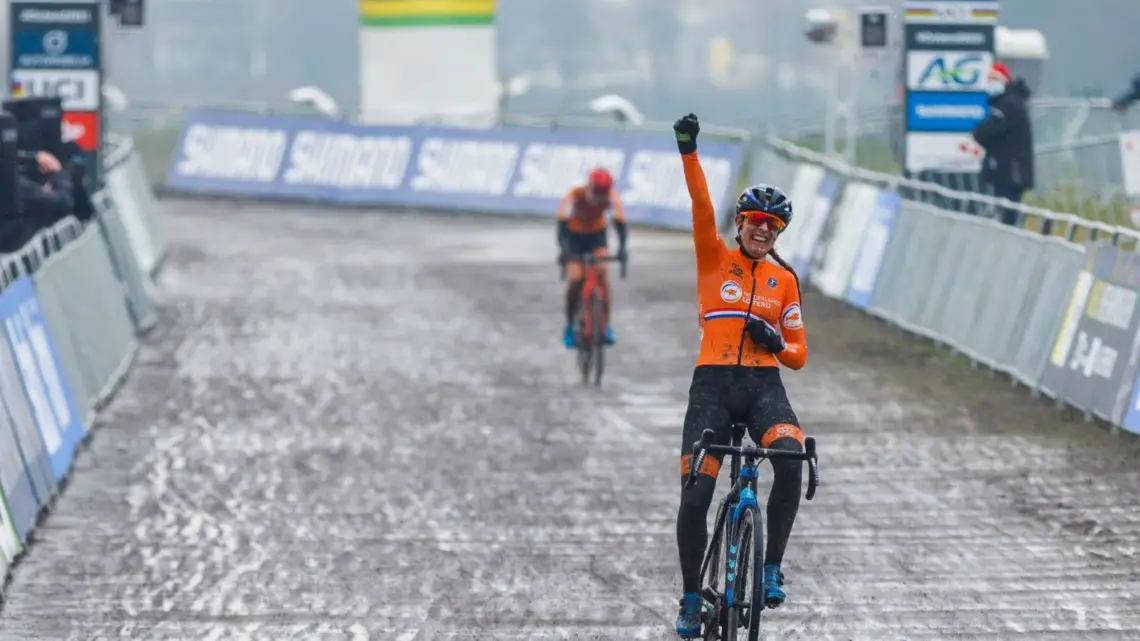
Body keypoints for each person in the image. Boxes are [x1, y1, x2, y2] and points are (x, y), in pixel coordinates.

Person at [670, 112, 807, 639]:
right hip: (711, 390)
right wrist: (689, 151)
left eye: (771, 226)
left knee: (791, 456)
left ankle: (771, 567)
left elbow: (798, 356)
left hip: (762, 390)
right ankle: (689, 598)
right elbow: (702, 206)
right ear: (741, 223)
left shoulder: (784, 281)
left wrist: (778, 342)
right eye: (754, 220)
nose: (762, 229)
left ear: (777, 234)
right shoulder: (713, 258)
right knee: (696, 498)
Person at [556, 167, 627, 347]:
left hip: (596, 237)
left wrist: (622, 249)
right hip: (574, 238)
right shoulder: (574, 195)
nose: (598, 198)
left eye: (602, 193)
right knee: (575, 278)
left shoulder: (612, 198)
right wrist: (564, 251)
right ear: (589, 186)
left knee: (602, 274)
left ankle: (606, 325)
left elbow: (620, 224)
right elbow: (561, 226)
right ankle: (570, 325)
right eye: (596, 192)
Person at [971, 62, 1034, 226]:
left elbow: (986, 131)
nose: (990, 83)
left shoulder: (1008, 105)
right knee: (1006, 212)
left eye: (994, 79)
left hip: (1010, 172)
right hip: (1007, 172)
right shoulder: (1008, 103)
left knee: (1008, 214)